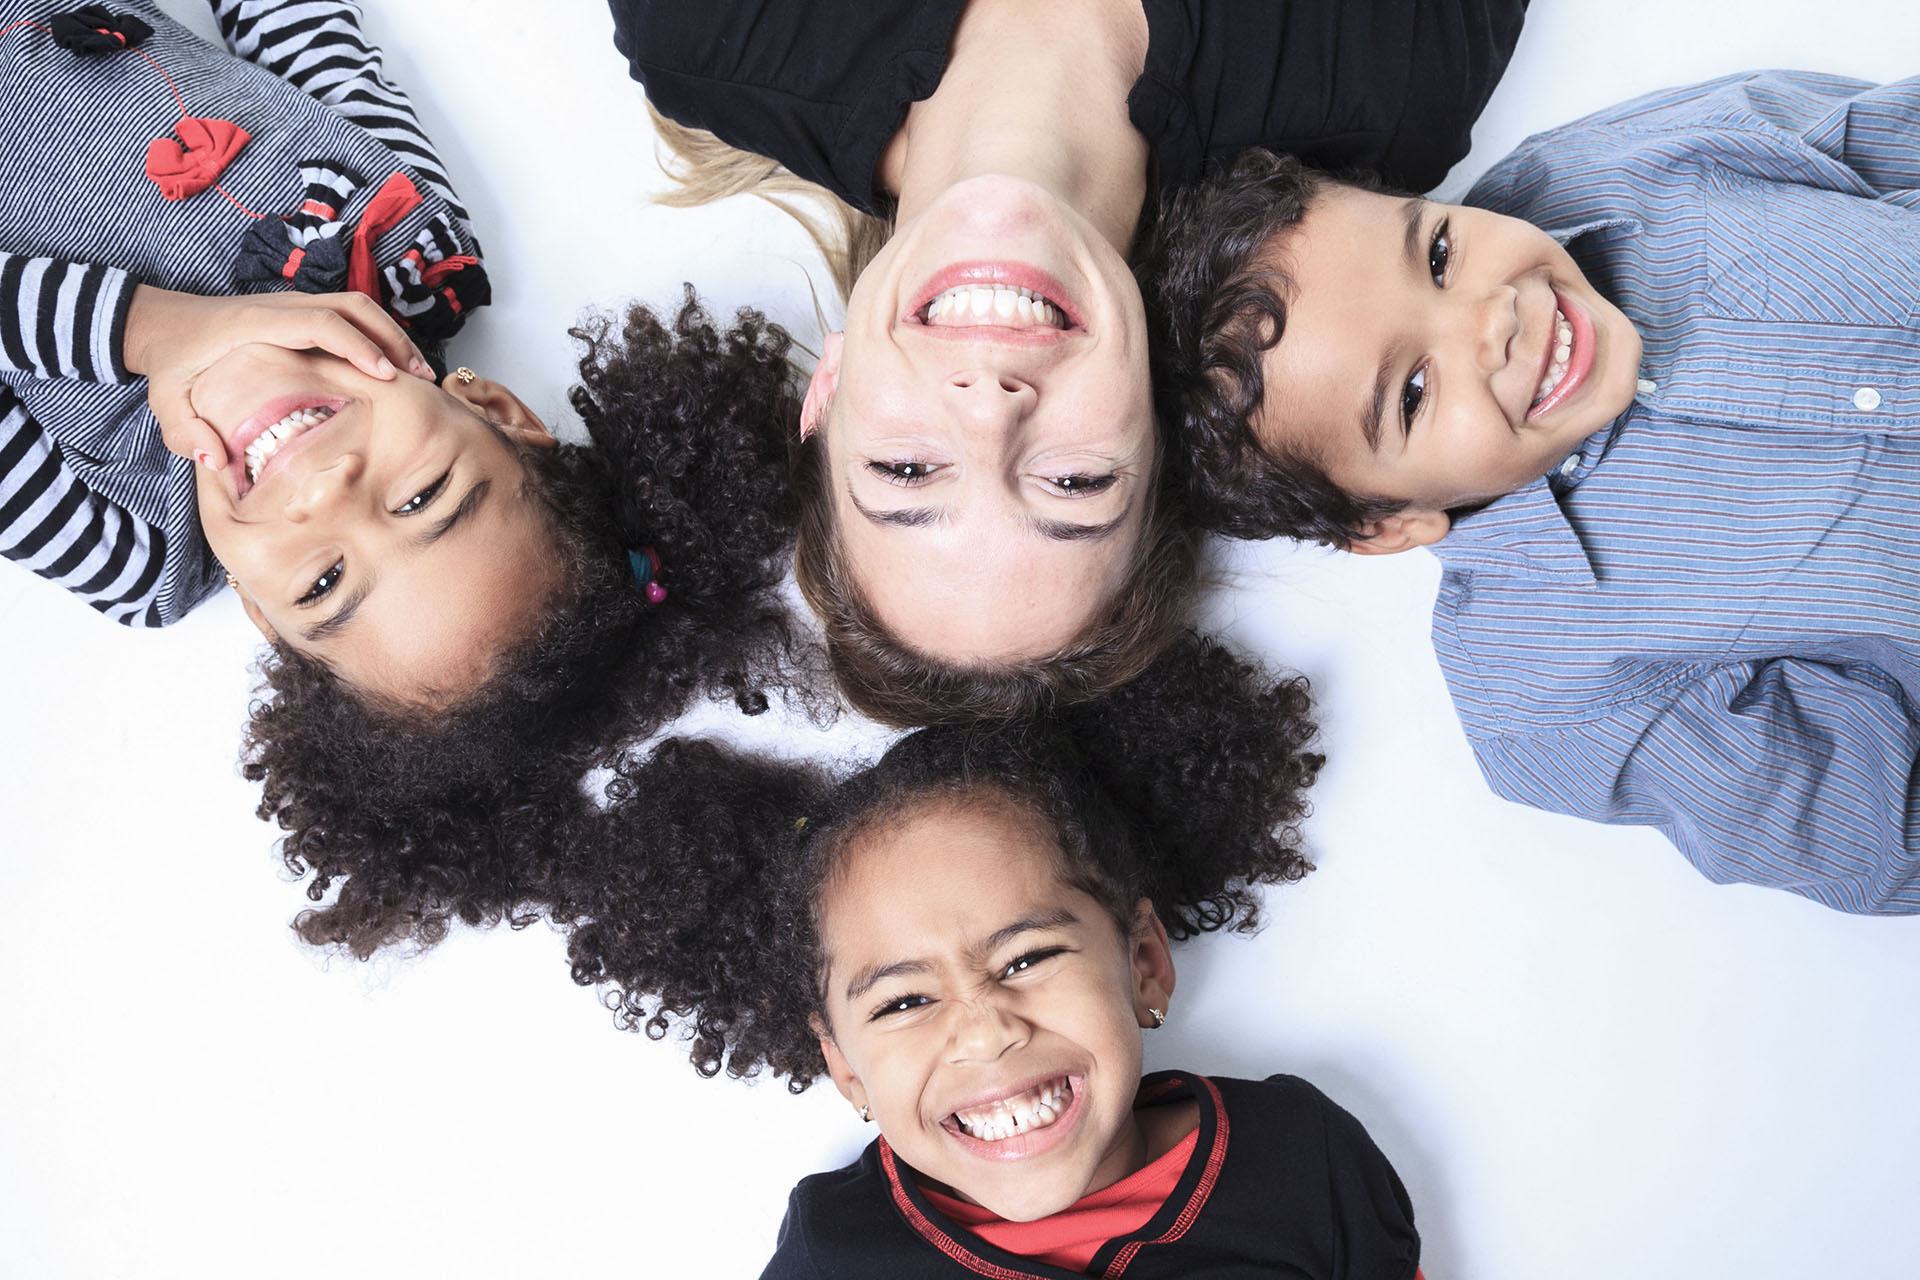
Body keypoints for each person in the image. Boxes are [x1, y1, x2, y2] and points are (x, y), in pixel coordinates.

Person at [1, 0, 808, 954]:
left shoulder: (132, 546)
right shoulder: (412, 252)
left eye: (324, 582)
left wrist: (156, 331)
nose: (324, 491)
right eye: (422, 498)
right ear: (494, 410)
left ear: (264, 617)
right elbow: (298, 33)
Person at [608, 0, 1528, 724]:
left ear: (830, 392)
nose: (988, 408)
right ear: (1156, 426)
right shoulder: (1389, 72)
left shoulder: (702, 28)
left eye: (907, 469)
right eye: (1074, 482)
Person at [1145, 72, 1920, 913]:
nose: (1492, 320)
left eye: (1438, 254)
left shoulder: (1606, 172)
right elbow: (1882, 837)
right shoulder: (1554, 693)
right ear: (1386, 522)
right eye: (1412, 393)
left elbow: (1884, 135)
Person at [555, 636, 1421, 1277]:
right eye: (901, 1002)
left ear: (1145, 961)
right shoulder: (837, 1255)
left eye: (1025, 958)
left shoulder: (1301, 1159)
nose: (984, 1031)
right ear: (846, 1071)